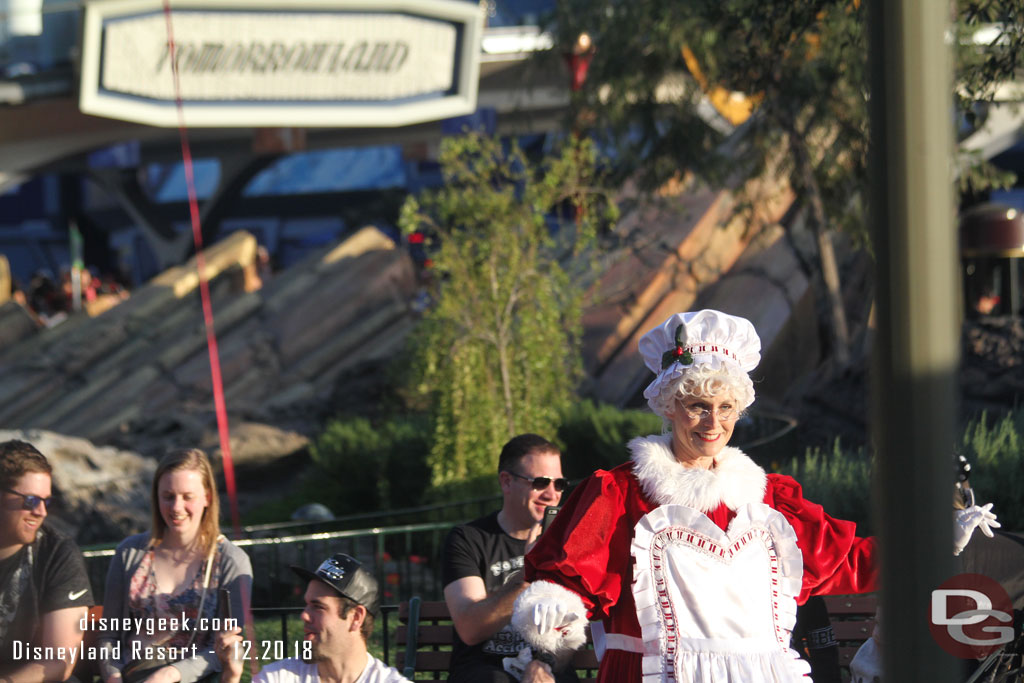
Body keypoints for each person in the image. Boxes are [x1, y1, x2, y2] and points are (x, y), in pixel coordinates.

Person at [510, 310, 880, 682]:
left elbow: (848, 562)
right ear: (670, 407)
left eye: (725, 408)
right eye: (699, 406)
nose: (713, 423)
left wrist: (932, 549)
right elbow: (566, 584)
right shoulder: (620, 495)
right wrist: (541, 658)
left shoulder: (771, 502)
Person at [98, 448, 252, 683]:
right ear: (156, 497)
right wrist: (113, 675)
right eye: (168, 496)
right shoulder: (129, 552)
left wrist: (171, 674)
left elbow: (231, 646)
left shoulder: (231, 561)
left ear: (207, 498)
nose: (176, 507)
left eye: (187, 496)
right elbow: (109, 634)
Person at [441, 434, 575, 683]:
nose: (551, 493)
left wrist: (543, 664)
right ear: (506, 481)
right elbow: (470, 628)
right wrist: (528, 573)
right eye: (541, 482)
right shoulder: (467, 539)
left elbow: (571, 634)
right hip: (483, 672)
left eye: (559, 484)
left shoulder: (566, 545)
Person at [215, 553, 409, 683]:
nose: (304, 615)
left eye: (318, 607)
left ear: (355, 617)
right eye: (306, 604)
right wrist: (231, 677)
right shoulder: (279, 678)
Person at [0, 439, 93, 682]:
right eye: (30, 501)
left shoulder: (57, 553)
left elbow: (58, 661)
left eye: (46, 501)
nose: (41, 511)